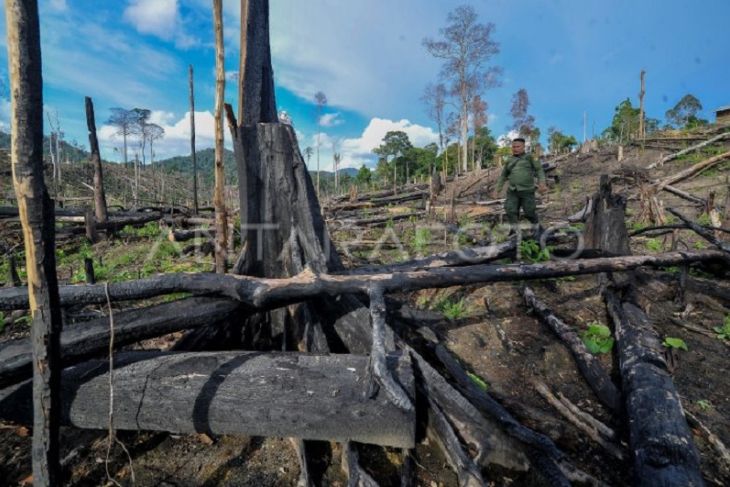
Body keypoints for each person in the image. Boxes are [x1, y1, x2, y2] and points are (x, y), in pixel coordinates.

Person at [494, 137, 547, 235]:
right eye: (513, 147)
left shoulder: (530, 157)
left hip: (527, 190)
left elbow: (539, 170)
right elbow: (503, 175)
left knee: (529, 212)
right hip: (512, 190)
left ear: (523, 147)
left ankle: (538, 228)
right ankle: (515, 231)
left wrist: (542, 183)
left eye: (518, 146)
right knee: (510, 210)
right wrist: (497, 190)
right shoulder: (509, 160)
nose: (515, 149)